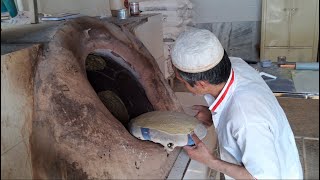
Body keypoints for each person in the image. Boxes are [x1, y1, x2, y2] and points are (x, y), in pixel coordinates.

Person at [170, 28, 303, 179]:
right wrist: (212, 114)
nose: (182, 86)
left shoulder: (245, 118)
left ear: (201, 84)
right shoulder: (235, 65)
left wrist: (209, 160)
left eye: (181, 82)